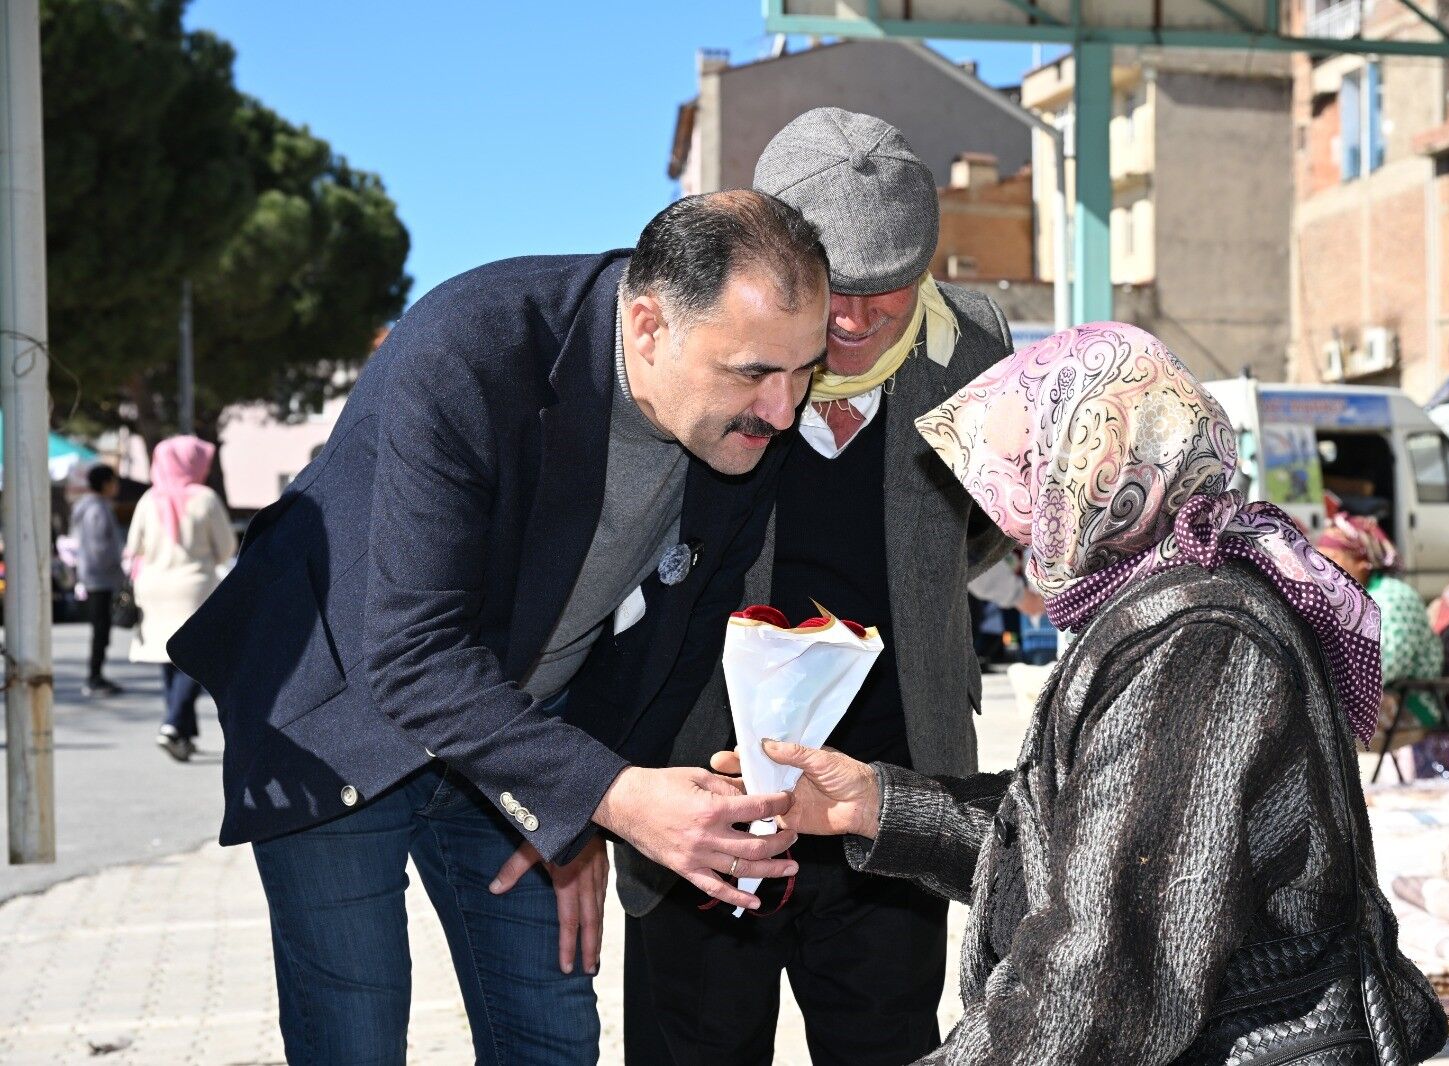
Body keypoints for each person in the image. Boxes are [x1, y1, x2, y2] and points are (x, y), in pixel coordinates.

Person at [166, 191, 829, 1066]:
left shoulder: (749, 424)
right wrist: (610, 795)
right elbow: (412, 656)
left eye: (806, 370)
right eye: (753, 373)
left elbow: (678, 637)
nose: (782, 410)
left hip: (519, 724)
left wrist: (579, 810)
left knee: (551, 1038)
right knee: (355, 1032)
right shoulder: (473, 344)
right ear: (648, 327)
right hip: (339, 711)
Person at [723, 323, 1449, 1064]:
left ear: (1095, 473)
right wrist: (874, 805)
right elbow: (1080, 842)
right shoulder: (1173, 599)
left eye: (1028, 481)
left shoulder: (1199, 641)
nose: (1015, 525)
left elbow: (1104, 977)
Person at [614, 109, 1015, 1066]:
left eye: (889, 288)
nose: (858, 318)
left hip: (894, 802)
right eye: (838, 285)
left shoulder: (976, 351)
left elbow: (983, 532)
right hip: (708, 801)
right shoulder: (701, 339)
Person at [126, 437, 236, 761]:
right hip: (193, 587)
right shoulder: (205, 498)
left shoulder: (149, 499)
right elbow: (226, 547)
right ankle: (173, 725)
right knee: (194, 657)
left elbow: (134, 546)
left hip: (152, 587)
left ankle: (183, 734)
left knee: (167, 657)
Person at [1317, 512, 1445, 739]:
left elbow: (1380, 668)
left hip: (1409, 706)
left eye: (1330, 560)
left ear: (1362, 563)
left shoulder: (1395, 597)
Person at [71, 463, 125, 697]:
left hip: (94, 575)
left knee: (101, 628)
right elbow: (99, 548)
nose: (117, 486)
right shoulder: (97, 509)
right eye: (114, 481)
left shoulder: (90, 506)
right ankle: (94, 677)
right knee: (101, 629)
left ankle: (96, 675)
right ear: (105, 483)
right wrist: (117, 567)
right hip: (100, 577)